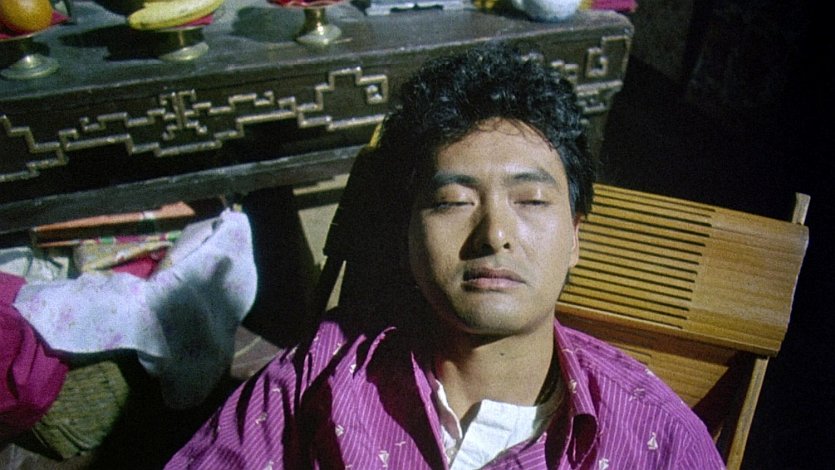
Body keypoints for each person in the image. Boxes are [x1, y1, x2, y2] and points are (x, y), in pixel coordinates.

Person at [166, 42, 725, 469]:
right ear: (407, 234)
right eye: (453, 201)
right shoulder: (324, 370)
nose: (494, 235)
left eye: (531, 200)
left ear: (575, 237)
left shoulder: (656, 439)